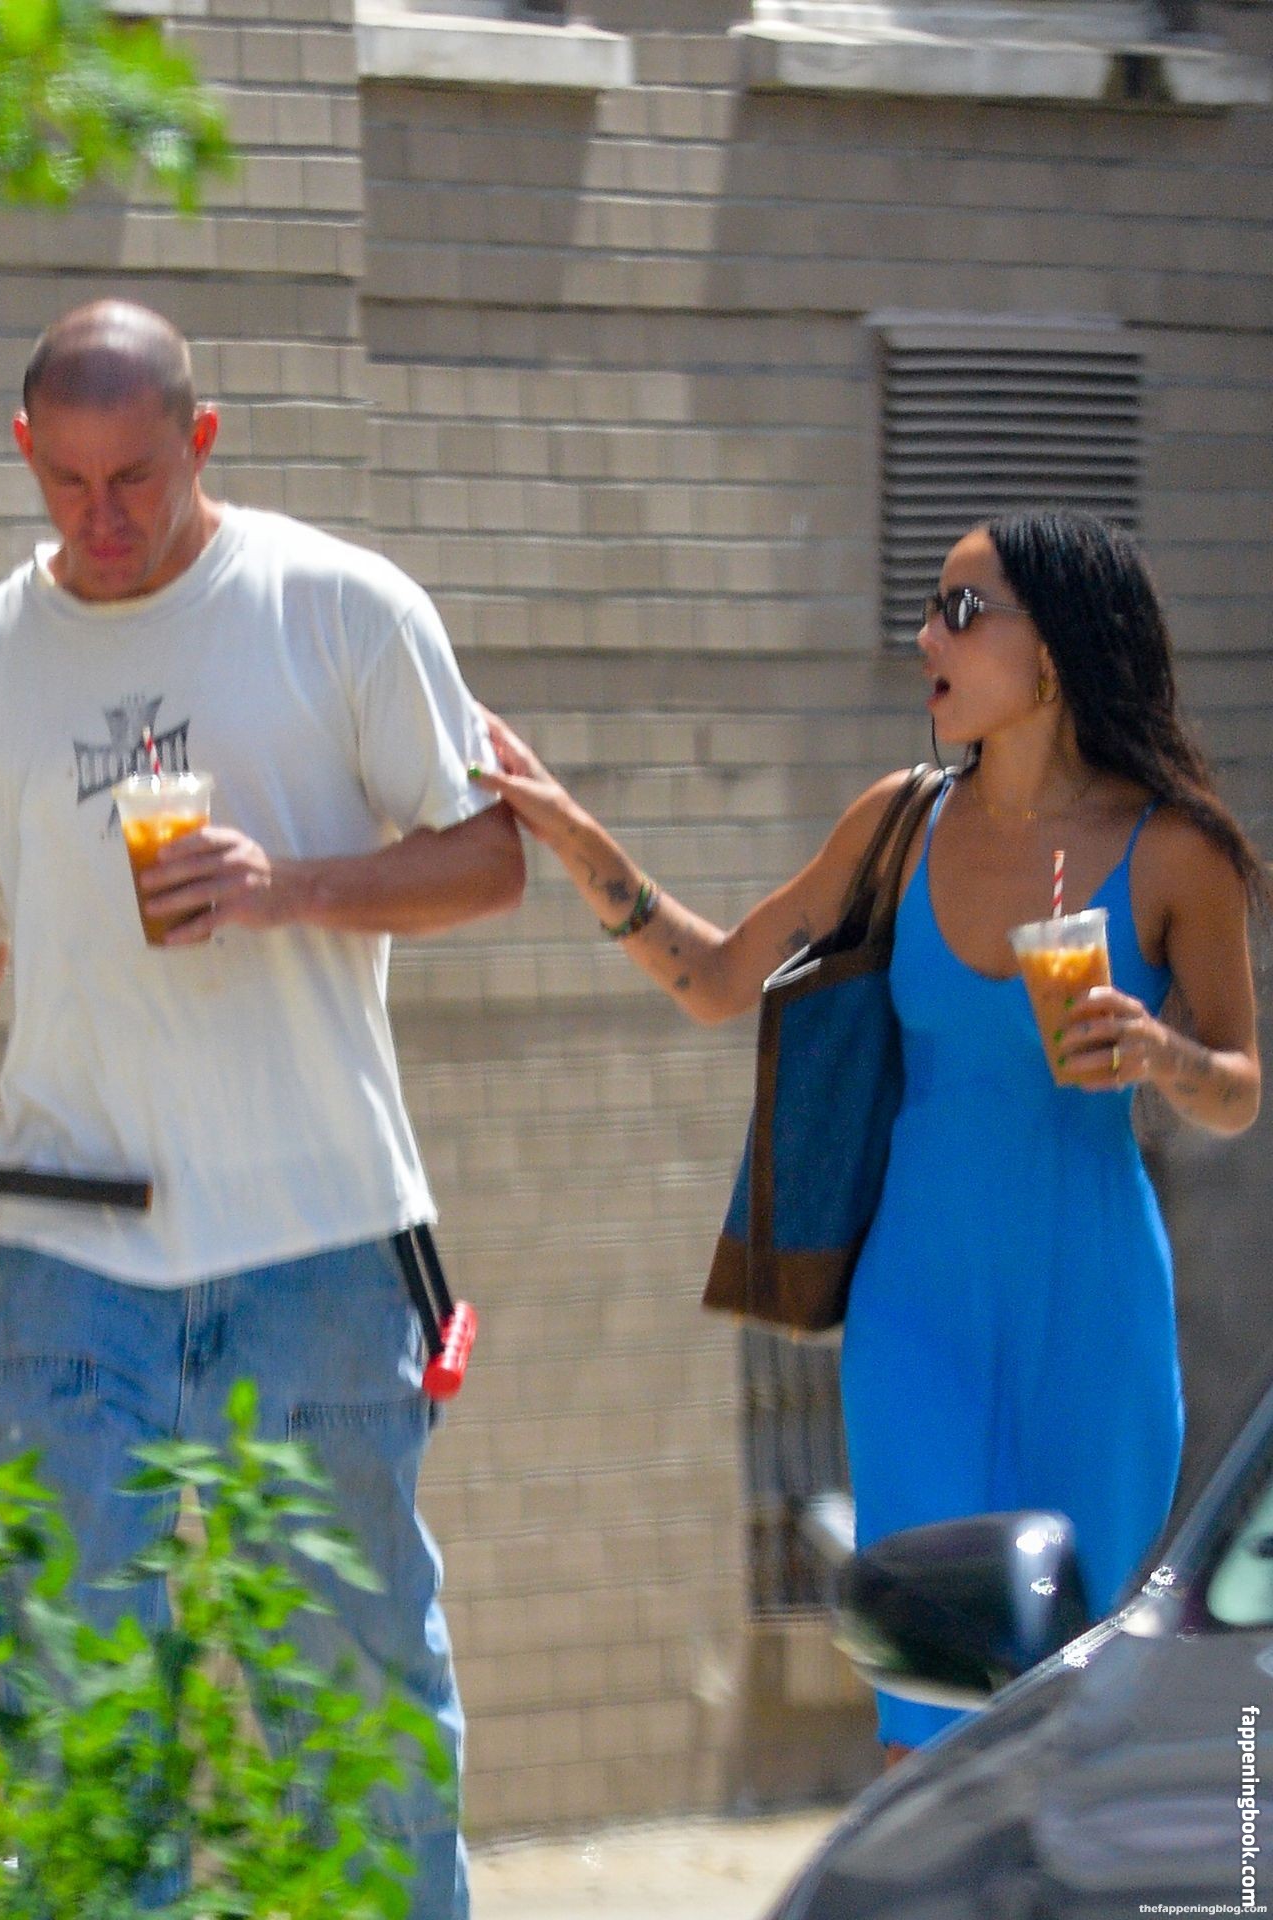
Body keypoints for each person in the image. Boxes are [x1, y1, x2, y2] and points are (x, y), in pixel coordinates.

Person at [0, 299, 524, 1913]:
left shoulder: (337, 607)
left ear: (201, 439)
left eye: (137, 480)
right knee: (78, 1746)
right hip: (68, 1267)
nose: (102, 519)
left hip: (318, 1248)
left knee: (348, 1722)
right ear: (24, 452)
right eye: (68, 482)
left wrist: (290, 887)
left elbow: (490, 857)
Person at [471, 508, 1263, 1760]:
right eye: (928, 607)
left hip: (1096, 1319)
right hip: (916, 1323)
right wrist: (572, 832)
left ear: (1052, 650)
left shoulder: (1175, 853)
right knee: (930, 1708)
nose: (924, 637)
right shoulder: (901, 827)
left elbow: (1238, 1088)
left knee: (1073, 1711)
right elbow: (717, 977)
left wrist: (1163, 1056)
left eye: (961, 611)